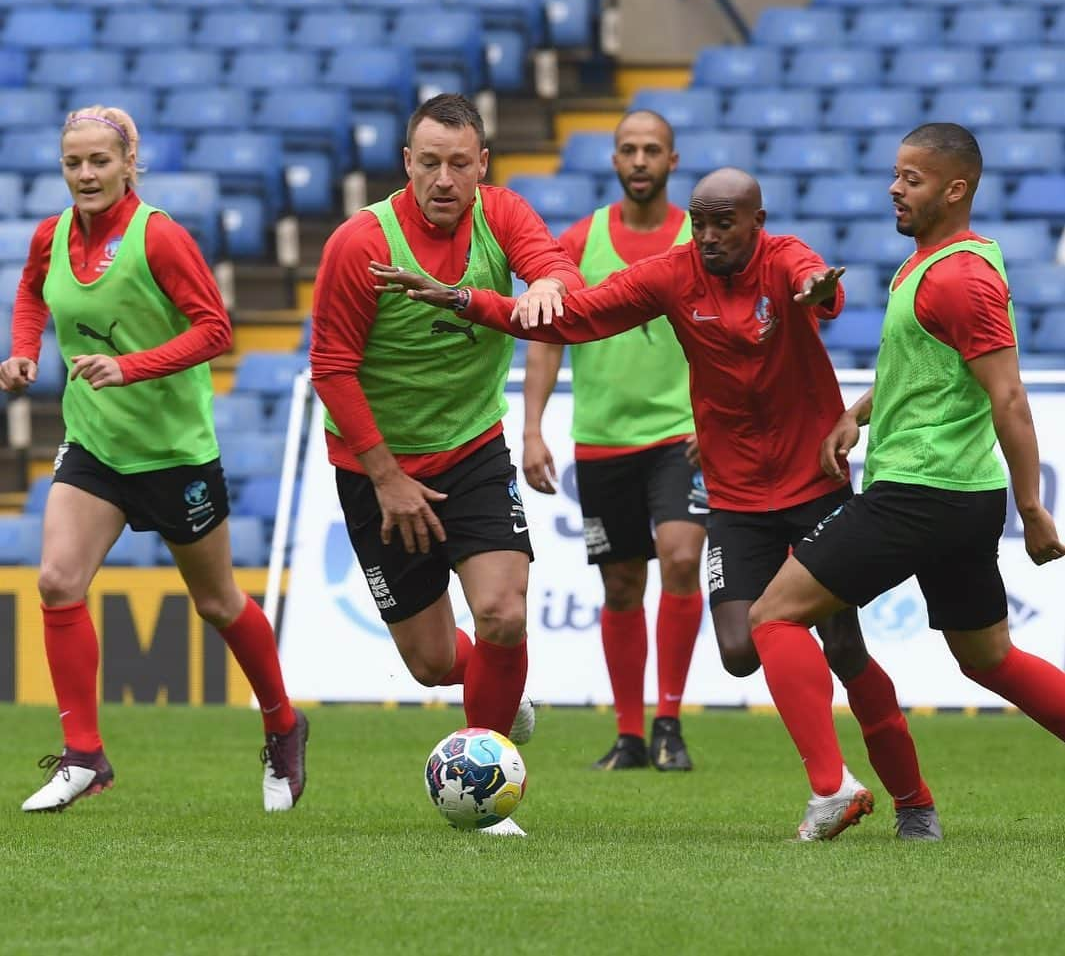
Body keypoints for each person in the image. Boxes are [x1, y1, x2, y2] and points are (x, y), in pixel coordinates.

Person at [371, 165, 940, 840]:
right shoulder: (674, 275)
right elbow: (574, 319)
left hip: (811, 482)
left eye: (721, 223)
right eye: (698, 223)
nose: (705, 236)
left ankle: (907, 800)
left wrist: (816, 291)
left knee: (842, 642)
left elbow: (813, 285)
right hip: (732, 494)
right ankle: (827, 782)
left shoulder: (785, 257)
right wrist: (464, 300)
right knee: (738, 645)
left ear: (755, 223)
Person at [741, 121, 1065, 841]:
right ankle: (910, 808)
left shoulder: (958, 278)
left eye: (910, 178)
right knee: (987, 658)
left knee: (771, 615)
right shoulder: (933, 263)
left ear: (954, 189)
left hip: (921, 494)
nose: (893, 186)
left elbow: (1006, 396)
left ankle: (831, 789)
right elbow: (919, 372)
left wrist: (1035, 508)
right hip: (952, 493)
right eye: (894, 173)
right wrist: (858, 413)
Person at [1, 105, 308, 814]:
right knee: (56, 579)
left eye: (99, 161)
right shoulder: (51, 235)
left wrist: (131, 366)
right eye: (73, 162)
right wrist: (25, 350)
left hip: (173, 455)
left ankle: (282, 724)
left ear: (128, 163)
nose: (85, 174)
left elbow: (216, 329)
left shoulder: (159, 236)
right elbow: (30, 291)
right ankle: (84, 755)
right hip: (95, 445)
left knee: (217, 601)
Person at [309, 93, 585, 837]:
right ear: (406, 163)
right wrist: (386, 475)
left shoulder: (503, 214)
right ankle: (502, 686)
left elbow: (552, 267)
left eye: (458, 163)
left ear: (481, 165)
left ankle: (488, 790)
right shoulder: (358, 242)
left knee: (501, 611)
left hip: (470, 451)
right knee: (432, 661)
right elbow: (330, 368)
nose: (442, 178)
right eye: (428, 162)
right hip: (373, 467)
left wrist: (551, 286)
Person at [522, 111, 705, 771]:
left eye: (650, 149)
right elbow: (546, 331)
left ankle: (669, 723)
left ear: (671, 161)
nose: (638, 160)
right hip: (601, 439)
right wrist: (532, 426)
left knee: (682, 559)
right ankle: (629, 735)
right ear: (612, 160)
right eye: (627, 149)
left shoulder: (697, 238)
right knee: (621, 584)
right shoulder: (578, 241)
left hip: (680, 435)